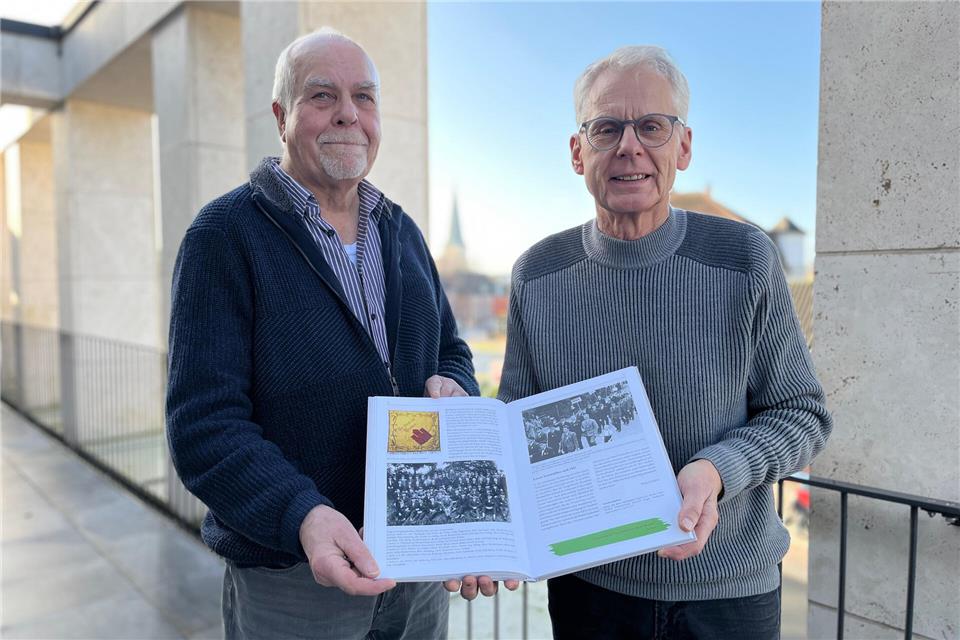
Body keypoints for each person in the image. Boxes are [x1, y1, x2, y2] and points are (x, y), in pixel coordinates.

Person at [496, 45, 833, 638]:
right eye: (606, 128)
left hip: (728, 594)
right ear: (579, 153)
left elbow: (802, 414)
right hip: (588, 592)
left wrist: (718, 468)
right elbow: (514, 428)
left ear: (683, 145)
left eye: (652, 126)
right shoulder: (536, 274)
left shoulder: (744, 257)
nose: (630, 146)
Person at [165, 28, 478, 640]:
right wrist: (303, 515)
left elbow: (451, 350)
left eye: (364, 97)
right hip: (295, 583)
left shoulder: (402, 231)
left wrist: (455, 388)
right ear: (281, 116)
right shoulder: (224, 235)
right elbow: (204, 425)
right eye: (322, 96)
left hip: (417, 570)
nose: (348, 114)